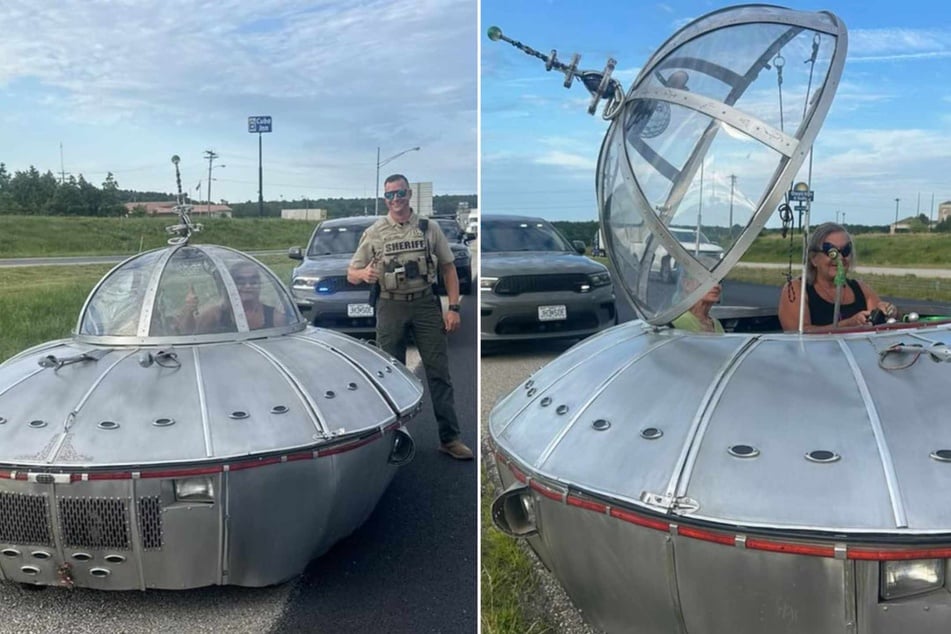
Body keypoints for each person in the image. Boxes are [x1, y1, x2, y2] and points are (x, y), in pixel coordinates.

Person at [347, 173, 472, 460]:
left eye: (400, 193)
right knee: (390, 375)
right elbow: (351, 273)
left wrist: (453, 308)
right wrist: (364, 273)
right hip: (390, 306)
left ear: (409, 195)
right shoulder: (375, 232)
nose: (396, 200)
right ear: (384, 198)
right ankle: (395, 438)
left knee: (438, 371)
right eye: (390, 195)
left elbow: (449, 269)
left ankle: (449, 438)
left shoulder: (429, 228)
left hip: (425, 304)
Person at [778, 222, 897, 331]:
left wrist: (886, 311)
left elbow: (879, 327)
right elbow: (797, 334)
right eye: (831, 252)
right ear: (814, 259)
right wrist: (849, 325)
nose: (840, 258)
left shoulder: (862, 289)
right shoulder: (796, 289)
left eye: (845, 250)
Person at [178, 261, 287, 334]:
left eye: (253, 282)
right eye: (241, 282)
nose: (248, 286)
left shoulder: (275, 316)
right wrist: (189, 310)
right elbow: (188, 333)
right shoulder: (215, 314)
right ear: (230, 285)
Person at [671, 257, 724, 333]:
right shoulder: (681, 321)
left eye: (719, 280)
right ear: (687, 284)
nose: (716, 285)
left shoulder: (716, 324)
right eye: (706, 280)